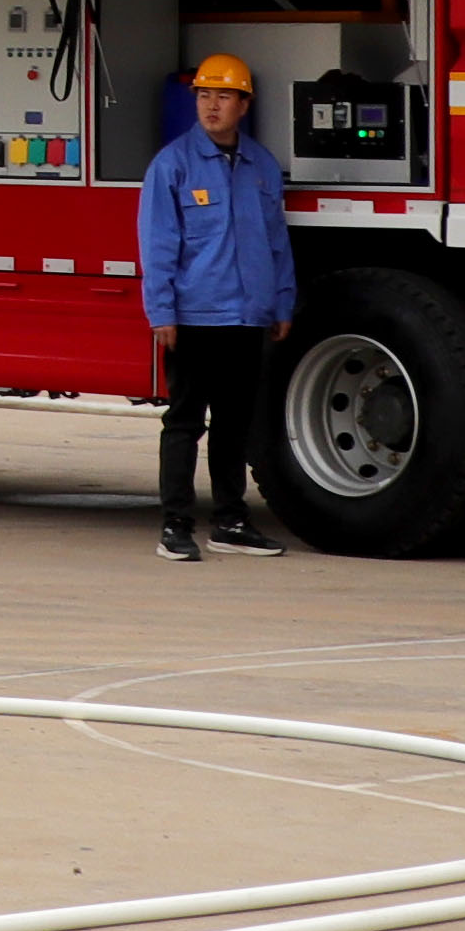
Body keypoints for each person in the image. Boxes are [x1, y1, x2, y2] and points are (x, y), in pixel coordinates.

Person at [134, 51, 295, 562]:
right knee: (185, 423)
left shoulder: (262, 166)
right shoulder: (172, 166)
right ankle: (175, 525)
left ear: (244, 104)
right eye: (204, 95)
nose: (211, 105)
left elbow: (276, 242)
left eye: (223, 96)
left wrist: (281, 302)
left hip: (247, 317)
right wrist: (161, 313)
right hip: (194, 318)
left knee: (234, 424)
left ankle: (230, 520)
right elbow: (157, 244)